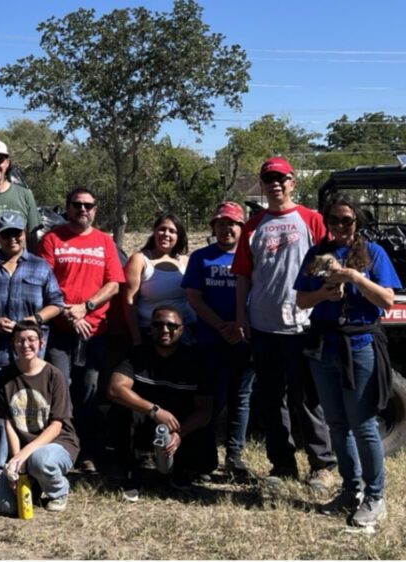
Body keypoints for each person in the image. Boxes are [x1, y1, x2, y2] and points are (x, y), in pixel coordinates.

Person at [295, 193, 400, 528]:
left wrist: (355, 278)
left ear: (357, 222)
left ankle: (375, 496)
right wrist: (324, 293)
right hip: (324, 346)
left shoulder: (373, 253)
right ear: (326, 223)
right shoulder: (317, 254)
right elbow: (300, 300)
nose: (340, 226)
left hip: (359, 345)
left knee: (363, 424)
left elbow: (387, 300)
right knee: (337, 425)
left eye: (347, 220)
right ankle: (350, 490)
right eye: (334, 220)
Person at [231, 156, 336, 488]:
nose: (275, 183)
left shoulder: (311, 219)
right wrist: (241, 315)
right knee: (271, 397)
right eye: (268, 179)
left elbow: (332, 263)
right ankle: (282, 465)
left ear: (292, 182)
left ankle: (322, 464)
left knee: (306, 397)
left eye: (281, 178)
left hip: (302, 324)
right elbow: (243, 275)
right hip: (263, 324)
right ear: (262, 185)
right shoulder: (253, 225)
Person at [0, 212, 64, 482]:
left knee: (30, 411)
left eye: (17, 232)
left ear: (24, 234)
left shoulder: (40, 267)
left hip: (32, 355)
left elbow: (57, 302)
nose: (13, 238)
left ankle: (31, 466)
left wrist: (36, 319)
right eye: (6, 233)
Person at [36, 187, 125, 473]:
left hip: (94, 331)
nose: (83, 210)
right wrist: (70, 313)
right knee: (60, 386)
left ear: (95, 209)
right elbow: (44, 281)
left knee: (89, 389)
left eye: (88, 205)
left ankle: (87, 449)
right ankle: (61, 446)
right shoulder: (52, 239)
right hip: (60, 330)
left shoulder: (104, 242)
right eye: (77, 205)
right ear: (68, 207)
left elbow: (113, 284)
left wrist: (86, 307)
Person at [107, 306, 217, 500]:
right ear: (150, 328)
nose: (165, 330)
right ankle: (132, 474)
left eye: (172, 325)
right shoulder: (137, 354)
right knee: (121, 412)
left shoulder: (195, 360)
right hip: (145, 421)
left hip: (180, 425)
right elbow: (115, 389)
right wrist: (154, 410)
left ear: (181, 330)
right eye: (158, 325)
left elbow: (205, 410)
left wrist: (180, 432)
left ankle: (180, 472)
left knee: (207, 460)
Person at [181, 201, 255, 480]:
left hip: (244, 339)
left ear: (242, 228)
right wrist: (222, 326)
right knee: (213, 401)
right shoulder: (202, 258)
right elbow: (193, 296)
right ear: (214, 227)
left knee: (241, 398)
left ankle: (235, 458)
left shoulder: (251, 257)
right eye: (221, 223)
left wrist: (240, 327)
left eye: (233, 224)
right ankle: (205, 457)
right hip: (212, 339)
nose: (227, 229)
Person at [0, 322, 79, 514]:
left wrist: (25, 455)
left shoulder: (54, 375)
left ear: (41, 343)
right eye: (20, 340)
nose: (25, 345)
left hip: (57, 443)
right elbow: (9, 422)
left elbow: (57, 425)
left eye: (31, 340)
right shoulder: (4, 376)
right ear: (13, 344)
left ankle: (58, 491)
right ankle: (36, 482)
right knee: (7, 507)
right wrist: (17, 462)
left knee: (41, 461)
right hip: (24, 449)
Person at [123, 212, 196, 347]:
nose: (166, 234)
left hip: (185, 330)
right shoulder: (140, 260)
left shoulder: (186, 262)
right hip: (151, 331)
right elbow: (129, 302)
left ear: (178, 236)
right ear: (154, 232)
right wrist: (136, 338)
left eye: (172, 231)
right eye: (162, 229)